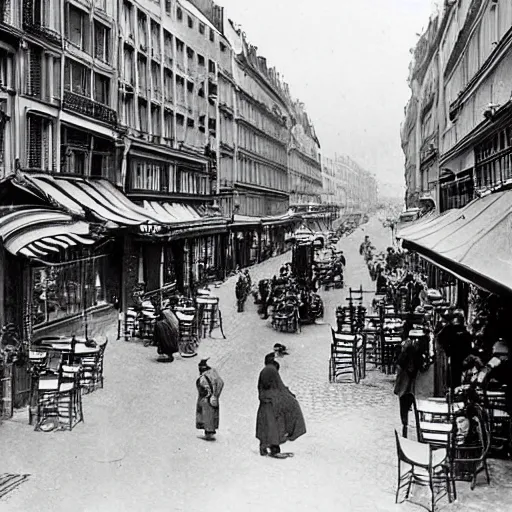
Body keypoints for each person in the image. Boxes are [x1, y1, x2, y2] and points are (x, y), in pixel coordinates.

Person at [256, 354, 306, 458]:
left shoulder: (266, 370)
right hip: (272, 402)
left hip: (266, 401)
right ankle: (274, 448)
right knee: (274, 425)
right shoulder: (271, 370)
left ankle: (264, 446)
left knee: (265, 425)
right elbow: (278, 386)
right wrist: (288, 396)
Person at [394, 337, 423, 438]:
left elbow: (399, 366)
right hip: (412, 385)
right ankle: (409, 425)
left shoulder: (403, 356)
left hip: (405, 385)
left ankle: (405, 425)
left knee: (404, 405)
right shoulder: (415, 355)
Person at [196, 358, 224, 441]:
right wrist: (216, 394)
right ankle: (210, 431)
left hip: (206, 398)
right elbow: (221, 383)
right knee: (211, 414)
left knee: (206, 415)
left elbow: (202, 387)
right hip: (213, 398)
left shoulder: (204, 377)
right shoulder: (214, 374)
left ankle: (208, 431)